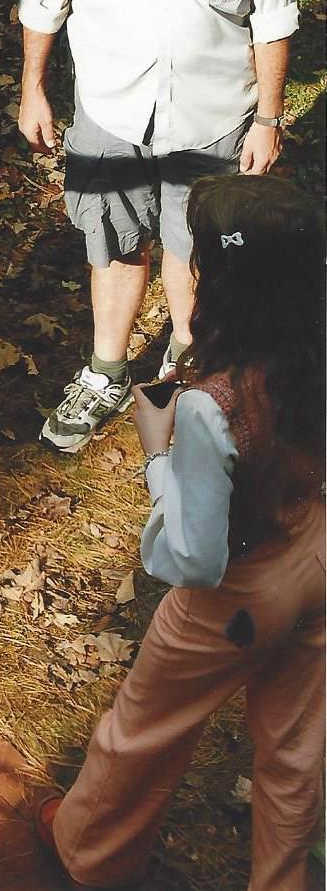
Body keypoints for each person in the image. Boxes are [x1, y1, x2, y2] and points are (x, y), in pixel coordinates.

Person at [33, 173, 325, 891]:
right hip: (317, 555)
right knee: (294, 756)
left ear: (216, 277)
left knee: (140, 733)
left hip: (237, 598)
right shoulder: (312, 354)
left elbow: (195, 557)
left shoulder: (210, 404)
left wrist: (157, 451)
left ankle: (85, 851)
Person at [18, 0, 298, 452]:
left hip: (211, 113)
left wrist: (268, 119)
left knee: (192, 250)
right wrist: (33, 85)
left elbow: (273, 11)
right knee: (110, 241)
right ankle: (106, 368)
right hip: (110, 102)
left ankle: (187, 367)